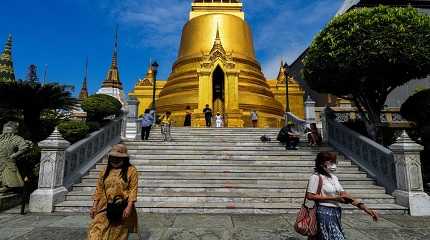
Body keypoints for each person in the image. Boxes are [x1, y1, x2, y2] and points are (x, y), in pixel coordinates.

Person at [306, 151, 379, 240]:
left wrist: (367, 209)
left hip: (336, 213)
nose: (333, 164)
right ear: (322, 163)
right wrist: (335, 198)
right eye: (331, 162)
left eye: (334, 162)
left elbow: (345, 195)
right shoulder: (316, 177)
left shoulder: (334, 178)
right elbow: (310, 196)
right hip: (323, 212)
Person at [88, 144, 139, 240]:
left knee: (117, 234)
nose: (115, 160)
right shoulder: (104, 171)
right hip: (103, 205)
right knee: (95, 230)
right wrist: (94, 206)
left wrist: (129, 208)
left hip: (121, 206)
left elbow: (133, 190)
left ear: (124, 159)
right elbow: (99, 189)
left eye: (118, 158)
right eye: (113, 157)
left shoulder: (131, 171)